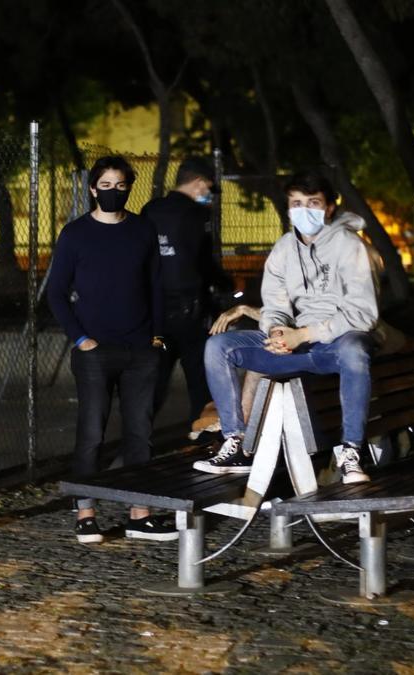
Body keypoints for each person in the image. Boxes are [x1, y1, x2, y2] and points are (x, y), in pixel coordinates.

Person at [194, 170, 379, 484]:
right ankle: (236, 442)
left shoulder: (350, 247)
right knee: (219, 346)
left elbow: (363, 313)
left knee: (354, 348)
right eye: (297, 203)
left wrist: (304, 334)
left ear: (329, 208)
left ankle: (350, 453)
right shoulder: (283, 249)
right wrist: (278, 331)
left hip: (333, 345)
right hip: (294, 347)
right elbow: (275, 303)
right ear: (288, 207)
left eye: (313, 203)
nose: (304, 210)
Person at [47, 156, 178, 544]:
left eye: (121, 186)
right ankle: (86, 512)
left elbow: (155, 285)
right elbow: (56, 293)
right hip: (95, 351)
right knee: (91, 432)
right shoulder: (75, 234)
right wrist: (80, 339)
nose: (113, 192)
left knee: (141, 432)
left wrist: (157, 337)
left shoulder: (142, 229)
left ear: (129, 188)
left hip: (140, 348)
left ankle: (140, 513)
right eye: (105, 185)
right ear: (92, 189)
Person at [140, 157, 229, 424]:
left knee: (155, 378)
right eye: (209, 189)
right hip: (190, 308)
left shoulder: (150, 210)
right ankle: (201, 432)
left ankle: (138, 437)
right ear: (199, 183)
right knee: (200, 377)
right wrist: (224, 286)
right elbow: (201, 261)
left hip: (154, 308)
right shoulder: (197, 215)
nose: (208, 196)